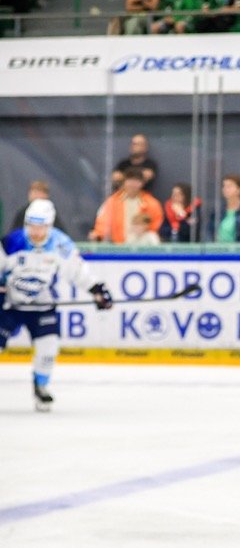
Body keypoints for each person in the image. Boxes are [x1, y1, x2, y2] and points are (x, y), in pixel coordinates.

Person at [0, 200, 113, 412]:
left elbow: (78, 272)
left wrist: (97, 289)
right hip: (10, 305)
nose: (35, 232)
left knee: (48, 347)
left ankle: (41, 386)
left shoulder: (61, 245)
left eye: (41, 227)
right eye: (31, 226)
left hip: (43, 306)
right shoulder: (12, 242)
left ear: (49, 225)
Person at [90, 167, 164, 244]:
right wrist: (98, 234)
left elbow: (156, 224)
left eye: (137, 181)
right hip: (119, 245)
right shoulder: (112, 202)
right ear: (124, 182)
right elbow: (103, 221)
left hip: (142, 245)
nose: (133, 184)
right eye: (130, 180)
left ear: (142, 183)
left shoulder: (152, 203)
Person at [210, 173, 240, 243]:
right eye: (224, 186)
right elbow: (210, 229)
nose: (225, 189)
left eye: (229, 186)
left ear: (239, 190)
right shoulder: (218, 210)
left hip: (239, 248)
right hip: (218, 247)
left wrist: (239, 247)